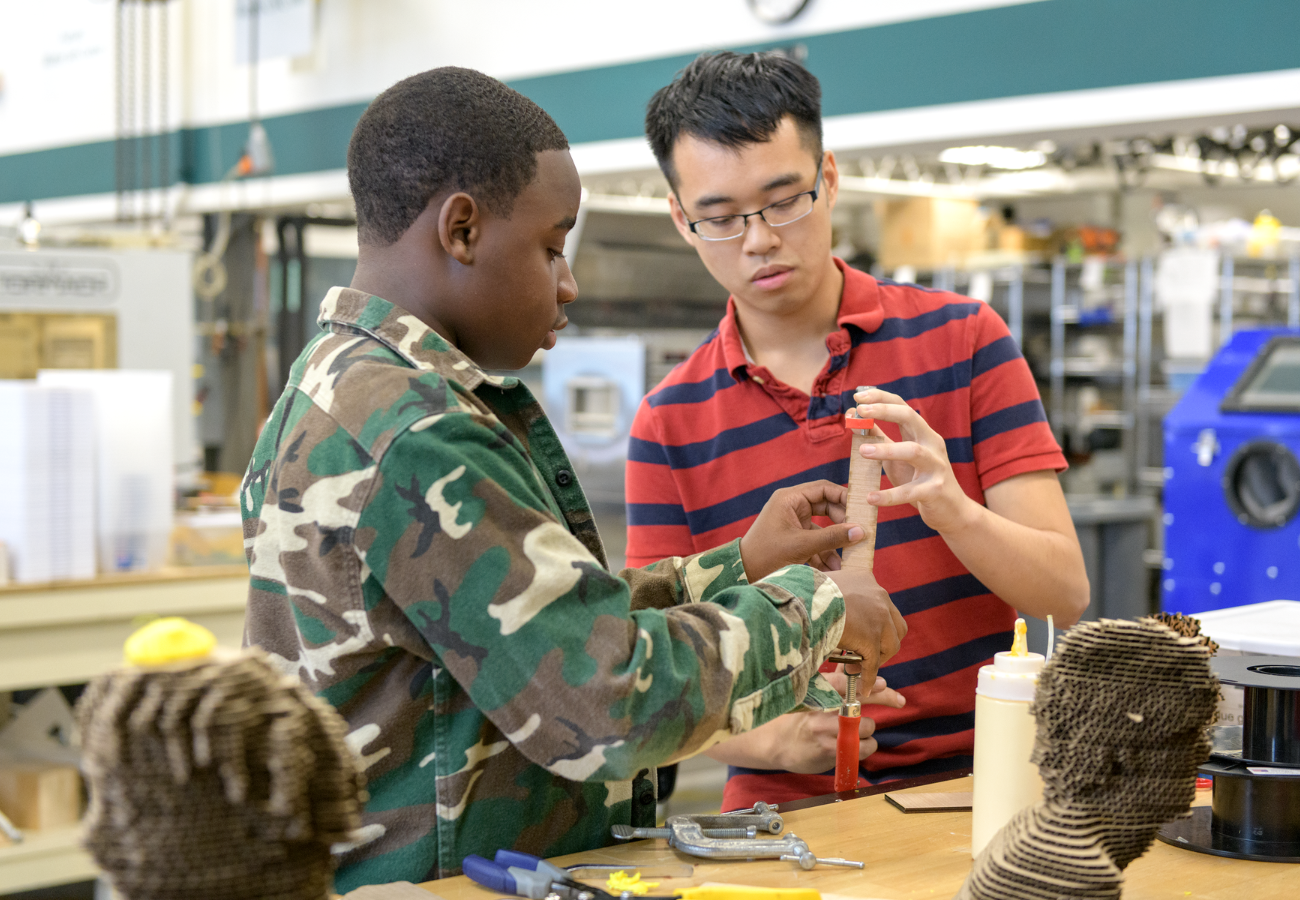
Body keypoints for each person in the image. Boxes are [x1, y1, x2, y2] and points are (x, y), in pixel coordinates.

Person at [240, 67, 906, 890]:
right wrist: (821, 606)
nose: (568, 283)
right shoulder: (418, 433)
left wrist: (740, 565)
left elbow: (533, 622)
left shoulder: (337, 379)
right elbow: (606, 702)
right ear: (461, 229)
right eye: (551, 247)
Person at [628, 51, 1090, 810]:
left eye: (784, 201)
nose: (759, 239)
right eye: (721, 217)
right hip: (781, 815)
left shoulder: (965, 340)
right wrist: (774, 740)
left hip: (977, 788)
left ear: (829, 178)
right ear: (682, 219)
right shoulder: (668, 419)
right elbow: (650, 670)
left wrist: (951, 507)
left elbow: (1064, 595)